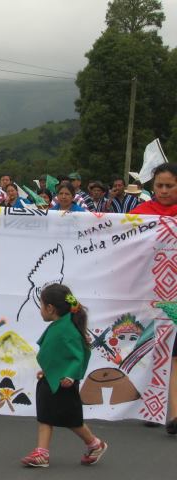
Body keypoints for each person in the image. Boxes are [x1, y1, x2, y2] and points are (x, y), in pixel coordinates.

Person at [21, 284, 107, 468]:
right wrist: (49, 369)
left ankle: (95, 444)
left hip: (64, 382)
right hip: (50, 379)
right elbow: (58, 354)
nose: (40, 310)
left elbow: (78, 355)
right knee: (44, 416)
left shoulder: (67, 329)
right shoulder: (60, 324)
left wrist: (70, 375)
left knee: (72, 420)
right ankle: (42, 454)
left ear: (50, 308)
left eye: (41, 305)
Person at [130, 164, 177, 435]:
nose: (163, 191)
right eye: (159, 185)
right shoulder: (140, 215)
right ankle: (152, 407)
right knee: (148, 347)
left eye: (169, 186)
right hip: (145, 293)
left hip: (174, 297)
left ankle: (172, 412)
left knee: (174, 353)